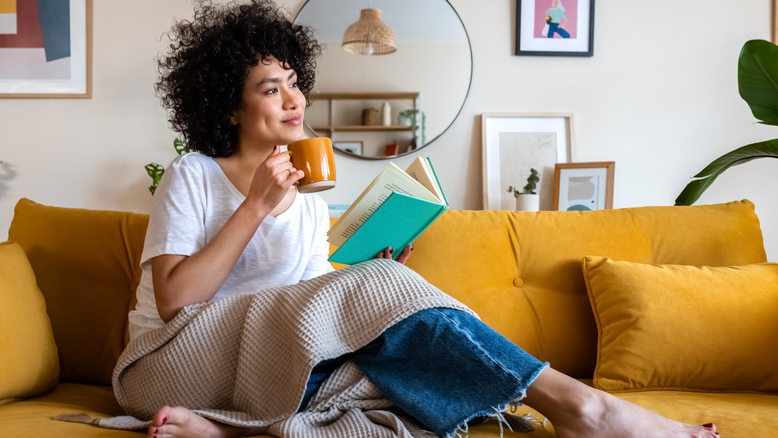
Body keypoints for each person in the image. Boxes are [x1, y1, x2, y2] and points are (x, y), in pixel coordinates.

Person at [123, 1, 720, 437]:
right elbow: (175, 301)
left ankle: (232, 431)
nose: (294, 100)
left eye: (295, 83)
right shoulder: (194, 174)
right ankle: (586, 408)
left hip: (261, 366)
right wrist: (254, 205)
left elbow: (303, 307)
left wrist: (367, 273)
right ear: (229, 105)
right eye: (270, 88)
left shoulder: (306, 199)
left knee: (406, 381)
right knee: (395, 353)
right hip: (170, 364)